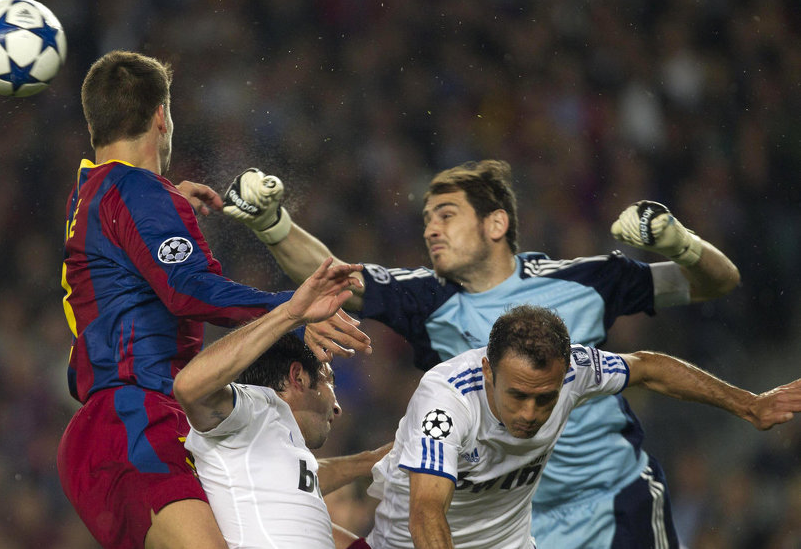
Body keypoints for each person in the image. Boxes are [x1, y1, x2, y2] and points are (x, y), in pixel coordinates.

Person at [223, 160, 741, 547]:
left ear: (496, 225)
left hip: (612, 500)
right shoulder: (426, 298)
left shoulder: (586, 280)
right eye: (427, 218)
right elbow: (336, 279)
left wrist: (677, 241)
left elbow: (717, 283)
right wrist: (275, 226)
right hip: (516, 522)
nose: (430, 228)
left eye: (446, 215)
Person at [56, 50, 371, 549]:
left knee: (301, 527)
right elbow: (188, 290)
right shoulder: (136, 193)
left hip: (134, 422)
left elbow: (117, 265)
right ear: (162, 116)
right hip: (133, 416)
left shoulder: (93, 190)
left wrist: (164, 206)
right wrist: (291, 308)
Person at [364, 304, 801, 549]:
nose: (532, 414)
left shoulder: (576, 369)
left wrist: (750, 405)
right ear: (487, 373)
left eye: (545, 398)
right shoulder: (444, 401)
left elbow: (648, 367)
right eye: (518, 395)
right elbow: (426, 512)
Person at [174, 258, 389, 549]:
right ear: (297, 377)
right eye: (329, 381)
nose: (337, 406)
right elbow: (189, 387)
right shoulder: (253, 409)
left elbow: (307, 475)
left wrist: (373, 461)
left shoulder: (279, 451)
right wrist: (289, 314)